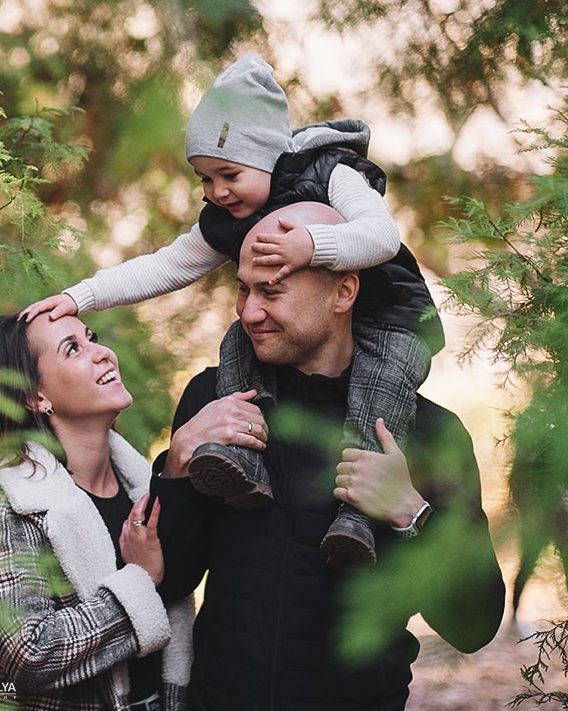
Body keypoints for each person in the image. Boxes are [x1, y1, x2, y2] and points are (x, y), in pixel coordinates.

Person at [20, 53, 443, 569]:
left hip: (396, 322)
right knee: (236, 343)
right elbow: (165, 265)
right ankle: (240, 457)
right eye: (204, 179)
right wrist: (81, 297)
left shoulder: (330, 173)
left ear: (267, 156)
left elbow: (381, 236)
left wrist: (311, 246)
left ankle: (358, 518)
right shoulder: (227, 217)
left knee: (378, 399)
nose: (217, 192)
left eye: (229, 174)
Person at [152, 202, 505, 710]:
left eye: (272, 291)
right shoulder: (214, 401)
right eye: (244, 289)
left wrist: (410, 512)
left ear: (344, 292)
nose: (249, 312)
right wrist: (178, 462)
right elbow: (170, 581)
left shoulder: (429, 432)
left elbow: (474, 626)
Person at [0, 312, 194, 711]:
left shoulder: (143, 489)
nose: (103, 354)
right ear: (35, 397)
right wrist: (140, 581)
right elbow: (28, 652)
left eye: (91, 337)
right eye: (73, 348)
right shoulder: (15, 506)